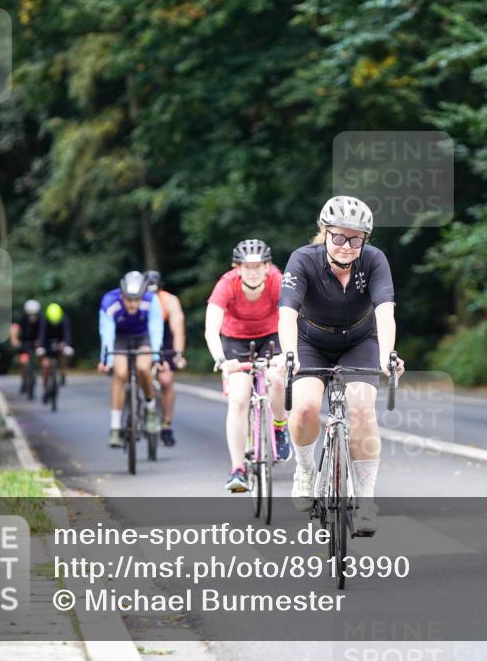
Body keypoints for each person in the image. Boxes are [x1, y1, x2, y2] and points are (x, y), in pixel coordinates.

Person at [277, 196, 404, 535]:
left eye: (356, 238)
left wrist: (386, 356)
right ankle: (305, 470)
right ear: (325, 232)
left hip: (360, 342)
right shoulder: (303, 260)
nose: (347, 246)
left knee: (362, 410)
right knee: (303, 409)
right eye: (339, 237)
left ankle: (365, 500)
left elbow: (385, 312)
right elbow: (287, 312)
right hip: (311, 342)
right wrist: (290, 355)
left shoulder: (375, 261)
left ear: (365, 239)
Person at [205, 239, 290, 493]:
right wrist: (221, 361)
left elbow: (294, 317)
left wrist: (287, 353)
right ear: (237, 268)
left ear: (267, 266)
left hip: (272, 335)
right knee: (239, 398)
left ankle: (279, 426)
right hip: (235, 340)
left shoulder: (278, 280)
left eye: (258, 266)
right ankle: (237, 469)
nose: (252, 272)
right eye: (247, 266)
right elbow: (211, 329)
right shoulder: (226, 284)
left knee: (276, 377)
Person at [97, 271, 164, 448]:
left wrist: (157, 356)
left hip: (143, 337)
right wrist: (106, 360)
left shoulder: (151, 300)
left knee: (143, 367)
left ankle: (150, 408)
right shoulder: (109, 301)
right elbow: (107, 333)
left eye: (136, 299)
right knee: (120, 373)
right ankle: (115, 428)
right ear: (122, 294)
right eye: (129, 299)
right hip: (119, 339)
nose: (133, 304)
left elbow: (156, 329)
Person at [143, 270, 187, 447]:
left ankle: (167, 424)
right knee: (141, 372)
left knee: (166, 379)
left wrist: (177, 354)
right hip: (144, 337)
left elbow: (178, 330)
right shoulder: (137, 301)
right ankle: (143, 406)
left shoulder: (170, 301)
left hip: (165, 340)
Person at [36, 302, 74, 402]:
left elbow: (67, 334)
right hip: (47, 344)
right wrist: (41, 347)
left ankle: (63, 372)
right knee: (45, 366)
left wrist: (65, 344)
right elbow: (42, 335)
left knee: (64, 354)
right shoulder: (44, 321)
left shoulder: (64, 320)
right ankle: (45, 389)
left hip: (60, 342)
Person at [10, 299, 42, 395]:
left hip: (36, 343)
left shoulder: (41, 319)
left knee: (42, 356)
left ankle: (37, 372)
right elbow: (14, 328)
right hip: (24, 342)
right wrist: (14, 339)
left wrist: (41, 341)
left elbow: (44, 331)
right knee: (23, 361)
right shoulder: (22, 318)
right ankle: (24, 379)